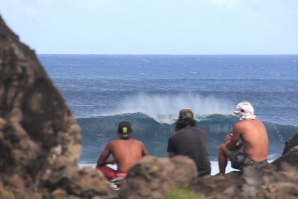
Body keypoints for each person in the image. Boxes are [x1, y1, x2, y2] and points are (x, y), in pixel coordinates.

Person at [218, 101, 269, 174]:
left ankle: (221, 175)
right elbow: (251, 143)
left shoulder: (239, 125)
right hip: (264, 163)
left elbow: (230, 147)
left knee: (222, 148)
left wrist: (228, 140)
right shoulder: (260, 122)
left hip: (251, 165)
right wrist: (239, 143)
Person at [167, 108, 211, 176]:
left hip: (187, 174)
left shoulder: (173, 137)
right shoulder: (203, 133)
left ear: (180, 120)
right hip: (206, 171)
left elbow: (172, 161)